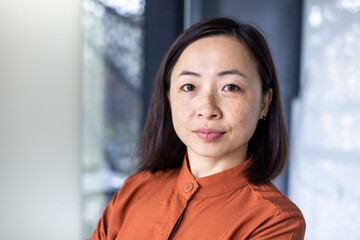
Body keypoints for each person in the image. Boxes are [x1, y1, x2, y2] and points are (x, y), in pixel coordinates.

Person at [90, 17, 306, 240]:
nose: (207, 109)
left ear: (264, 102)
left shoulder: (276, 221)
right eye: (189, 86)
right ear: (169, 98)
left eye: (230, 87)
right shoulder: (135, 190)